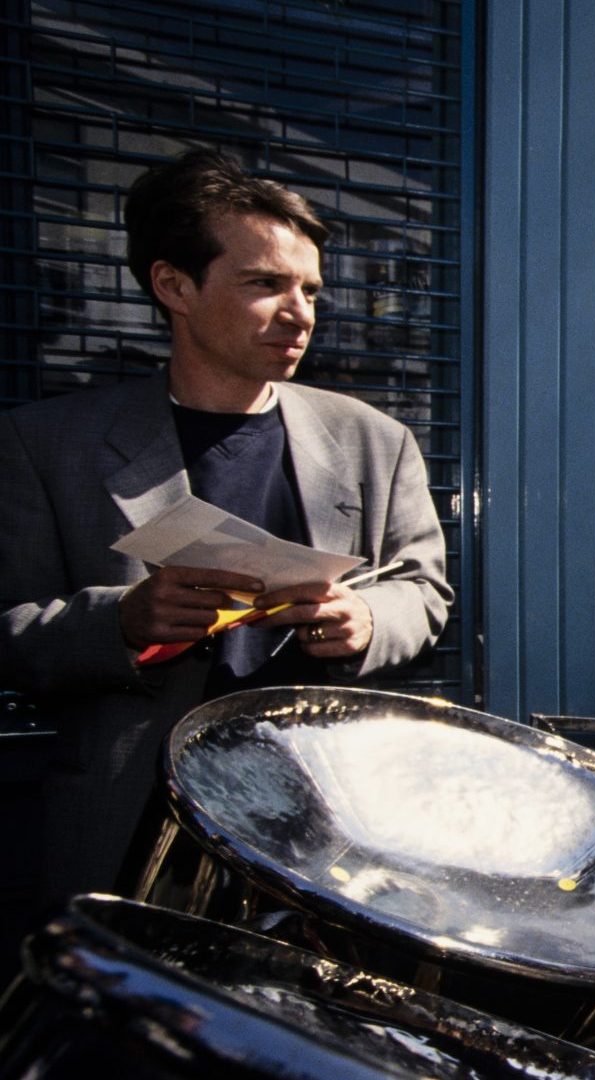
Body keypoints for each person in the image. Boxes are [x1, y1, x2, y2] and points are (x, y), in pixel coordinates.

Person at [0, 149, 451, 950]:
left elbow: (422, 588)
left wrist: (367, 620)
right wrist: (126, 621)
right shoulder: (47, 444)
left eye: (310, 288)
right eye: (264, 284)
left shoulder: (373, 441)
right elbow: (11, 627)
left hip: (327, 826)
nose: (300, 311)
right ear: (174, 286)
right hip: (128, 826)